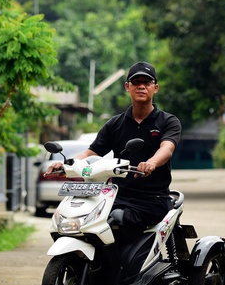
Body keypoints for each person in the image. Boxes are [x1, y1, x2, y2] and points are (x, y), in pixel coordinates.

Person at [47, 61, 182, 243]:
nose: (141, 86)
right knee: (88, 220)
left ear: (155, 88)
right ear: (127, 87)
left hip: (153, 198)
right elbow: (91, 152)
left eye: (147, 82)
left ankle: (127, 269)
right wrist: (66, 164)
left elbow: (167, 148)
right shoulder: (115, 124)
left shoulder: (168, 121)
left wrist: (151, 162)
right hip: (117, 196)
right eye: (136, 82)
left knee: (120, 219)